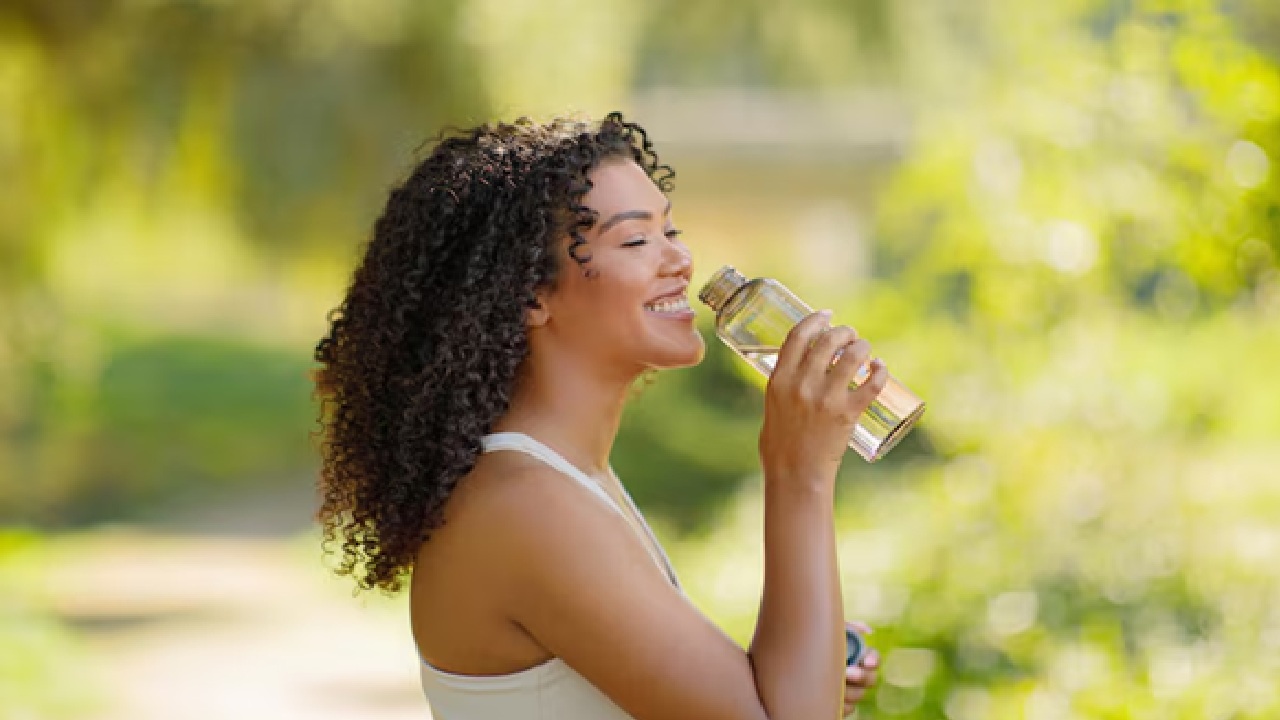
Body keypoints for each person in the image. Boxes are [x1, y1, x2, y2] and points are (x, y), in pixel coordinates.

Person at [312, 112, 884, 719]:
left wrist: (804, 668)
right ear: (529, 292)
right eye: (636, 241)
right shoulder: (526, 506)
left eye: (671, 230)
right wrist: (799, 470)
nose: (680, 260)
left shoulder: (564, 479)